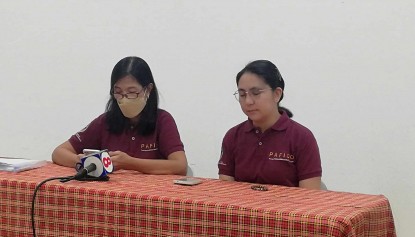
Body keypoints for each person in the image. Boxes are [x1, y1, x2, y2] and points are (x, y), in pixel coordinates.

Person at [52, 56, 187, 175]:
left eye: (132, 92)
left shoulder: (163, 120)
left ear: (148, 90)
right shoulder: (105, 121)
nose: (124, 98)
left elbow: (180, 166)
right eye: (118, 92)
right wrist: (84, 161)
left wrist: (130, 163)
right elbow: (59, 152)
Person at [218, 60, 322, 189]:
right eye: (242, 94)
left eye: (256, 93)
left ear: (277, 94)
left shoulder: (301, 137)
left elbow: (310, 196)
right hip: (242, 208)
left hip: (288, 208)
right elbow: (226, 190)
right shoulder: (233, 136)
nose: (248, 101)